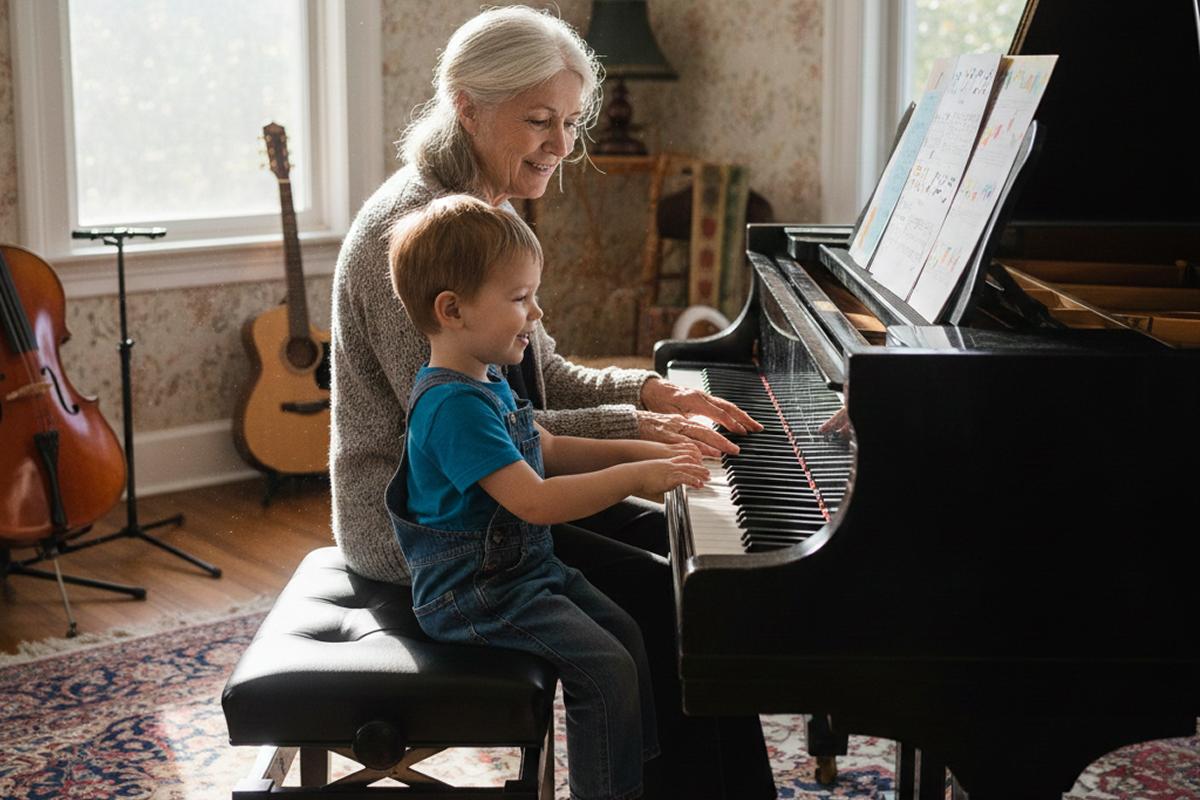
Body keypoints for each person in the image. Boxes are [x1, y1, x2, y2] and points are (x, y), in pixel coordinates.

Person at [330, 6, 775, 798]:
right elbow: (492, 431)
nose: (563, 145)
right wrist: (641, 433)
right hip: (440, 534)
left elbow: (545, 377)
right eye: (539, 121)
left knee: (697, 564)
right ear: (467, 107)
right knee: (664, 598)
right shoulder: (417, 233)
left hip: (498, 493)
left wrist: (652, 389)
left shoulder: (483, 213)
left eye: (570, 122)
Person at [386, 194, 709, 800]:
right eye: (520, 298)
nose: (536, 313)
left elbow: (551, 448)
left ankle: (633, 779)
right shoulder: (451, 406)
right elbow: (535, 502)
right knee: (605, 669)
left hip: (523, 573)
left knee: (628, 633)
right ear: (452, 310)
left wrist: (647, 451)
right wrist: (635, 479)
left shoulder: (486, 379)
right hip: (474, 594)